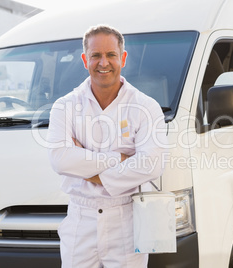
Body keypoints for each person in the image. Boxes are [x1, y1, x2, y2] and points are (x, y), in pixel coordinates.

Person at [47, 24, 167, 268]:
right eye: (96, 55)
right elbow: (60, 159)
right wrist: (120, 160)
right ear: (85, 59)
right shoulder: (64, 106)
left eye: (111, 54)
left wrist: (84, 162)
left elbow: (152, 165)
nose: (104, 62)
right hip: (81, 219)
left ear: (122, 58)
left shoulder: (146, 107)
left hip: (127, 220)